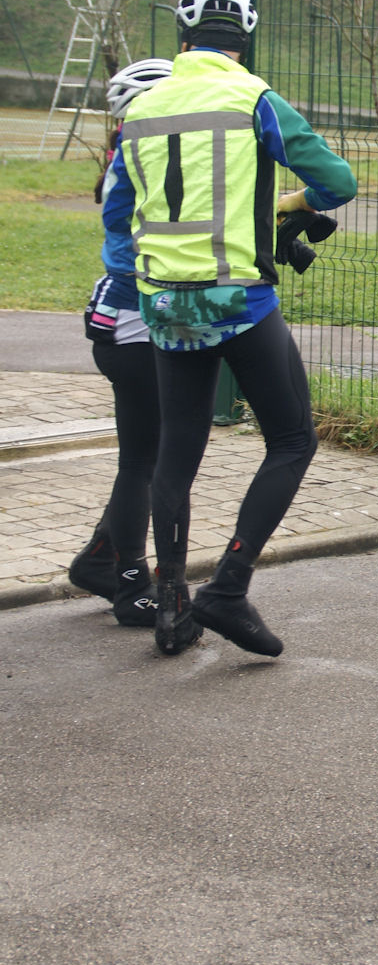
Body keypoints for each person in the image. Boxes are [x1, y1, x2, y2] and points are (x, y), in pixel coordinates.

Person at [102, 0, 357, 657]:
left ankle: (171, 608)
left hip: (164, 303)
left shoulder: (142, 109)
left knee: (175, 453)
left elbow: (117, 213)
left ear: (182, 38)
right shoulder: (254, 98)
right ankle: (228, 586)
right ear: (245, 38)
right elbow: (339, 182)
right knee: (292, 440)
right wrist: (288, 205)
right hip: (239, 300)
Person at [68, 58, 177, 627]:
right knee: (143, 459)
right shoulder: (140, 160)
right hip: (132, 321)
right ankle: (131, 586)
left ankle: (98, 559)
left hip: (125, 318)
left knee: (148, 453)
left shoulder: (130, 154)